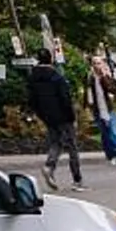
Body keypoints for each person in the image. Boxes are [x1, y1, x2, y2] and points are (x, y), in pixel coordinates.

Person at [20, 52, 83, 186]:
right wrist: (72, 117)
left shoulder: (32, 78)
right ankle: (77, 178)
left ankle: (49, 166)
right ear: (51, 59)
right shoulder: (57, 77)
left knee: (56, 142)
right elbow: (65, 99)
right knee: (71, 146)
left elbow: (32, 100)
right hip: (63, 116)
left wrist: (41, 114)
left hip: (47, 116)